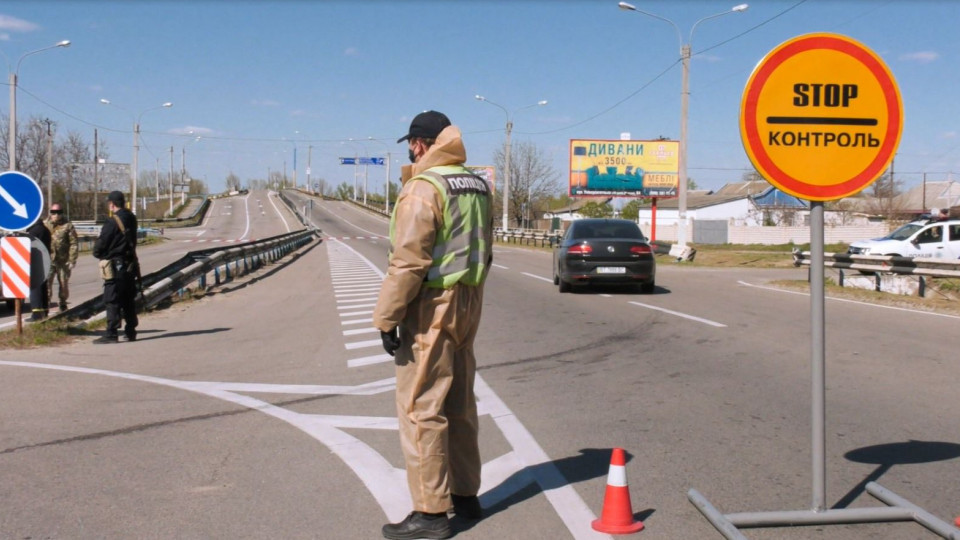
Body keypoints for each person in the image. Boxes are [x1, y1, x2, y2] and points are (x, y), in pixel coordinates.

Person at [373, 111, 493, 540]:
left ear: (421, 144)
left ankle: (429, 513)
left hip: (432, 305)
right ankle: (465, 497)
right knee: (459, 402)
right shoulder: (476, 184)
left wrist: (387, 317)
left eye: (411, 143)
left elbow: (409, 261)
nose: (409, 150)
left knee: (421, 407)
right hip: (469, 301)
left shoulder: (424, 188)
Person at [92, 191, 139, 344]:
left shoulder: (112, 222)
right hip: (130, 265)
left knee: (112, 299)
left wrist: (99, 252)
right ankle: (131, 331)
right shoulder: (132, 218)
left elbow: (101, 244)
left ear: (112, 204)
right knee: (128, 299)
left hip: (115, 265)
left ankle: (111, 333)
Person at [44, 203, 79, 312]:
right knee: (46, 285)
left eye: (59, 212)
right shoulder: (45, 224)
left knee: (63, 284)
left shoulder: (68, 225)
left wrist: (72, 259)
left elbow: (74, 243)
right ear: (50, 213)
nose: (56, 215)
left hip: (63, 261)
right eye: (54, 212)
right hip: (48, 260)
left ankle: (63, 304)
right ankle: (46, 305)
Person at [26, 219, 52, 321]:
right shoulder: (45, 229)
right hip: (45, 261)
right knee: (43, 286)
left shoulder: (34, 231)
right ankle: (45, 311)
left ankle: (36, 314)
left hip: (36, 262)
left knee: (35, 287)